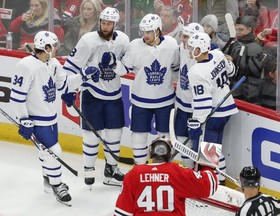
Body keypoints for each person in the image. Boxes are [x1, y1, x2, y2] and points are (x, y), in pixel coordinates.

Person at [9, 30, 98, 205]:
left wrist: (83, 76)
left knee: (46, 153)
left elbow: (64, 85)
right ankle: (57, 185)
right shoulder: (25, 66)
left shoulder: (54, 63)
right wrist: (24, 119)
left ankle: (48, 181)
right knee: (54, 152)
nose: (57, 48)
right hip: (36, 120)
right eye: (54, 45)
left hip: (51, 118)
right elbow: (17, 96)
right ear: (47, 47)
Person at [62, 7, 129, 188]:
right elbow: (69, 67)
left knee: (115, 135)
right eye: (103, 22)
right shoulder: (88, 40)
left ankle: (111, 169)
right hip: (92, 93)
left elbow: (127, 68)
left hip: (114, 94)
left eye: (109, 24)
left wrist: (116, 65)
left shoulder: (123, 40)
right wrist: (69, 89)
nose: (105, 26)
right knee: (91, 136)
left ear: (116, 24)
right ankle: (89, 169)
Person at [114, 13, 180, 165]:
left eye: (149, 32)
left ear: (158, 31)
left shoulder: (170, 44)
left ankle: (163, 168)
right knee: (138, 136)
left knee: (165, 137)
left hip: (165, 100)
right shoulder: (135, 46)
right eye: (143, 32)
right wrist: (114, 64)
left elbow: (176, 67)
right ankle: (140, 168)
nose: (145, 35)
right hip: (141, 100)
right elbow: (124, 69)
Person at [114, 136, 218, 215]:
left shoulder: (134, 173)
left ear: (150, 151)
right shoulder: (177, 172)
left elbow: (122, 212)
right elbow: (209, 186)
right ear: (170, 154)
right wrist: (207, 165)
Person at [186, 32, 238, 184]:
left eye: (191, 48)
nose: (189, 51)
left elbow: (203, 102)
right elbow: (232, 71)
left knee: (207, 153)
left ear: (199, 49)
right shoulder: (217, 54)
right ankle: (220, 181)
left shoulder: (196, 72)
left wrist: (196, 122)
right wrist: (219, 55)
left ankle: (210, 184)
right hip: (226, 109)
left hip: (212, 114)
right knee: (214, 149)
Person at [174, 22, 204, 168]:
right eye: (183, 36)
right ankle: (188, 170)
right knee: (181, 138)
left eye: (186, 37)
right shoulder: (181, 48)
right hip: (182, 103)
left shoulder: (206, 57)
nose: (183, 40)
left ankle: (200, 174)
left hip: (198, 109)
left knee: (199, 142)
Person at [226, 15, 266, 104]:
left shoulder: (254, 47)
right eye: (236, 29)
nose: (237, 32)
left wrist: (233, 61)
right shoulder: (235, 43)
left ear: (249, 29)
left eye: (241, 29)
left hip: (247, 93)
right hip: (234, 88)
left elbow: (253, 72)